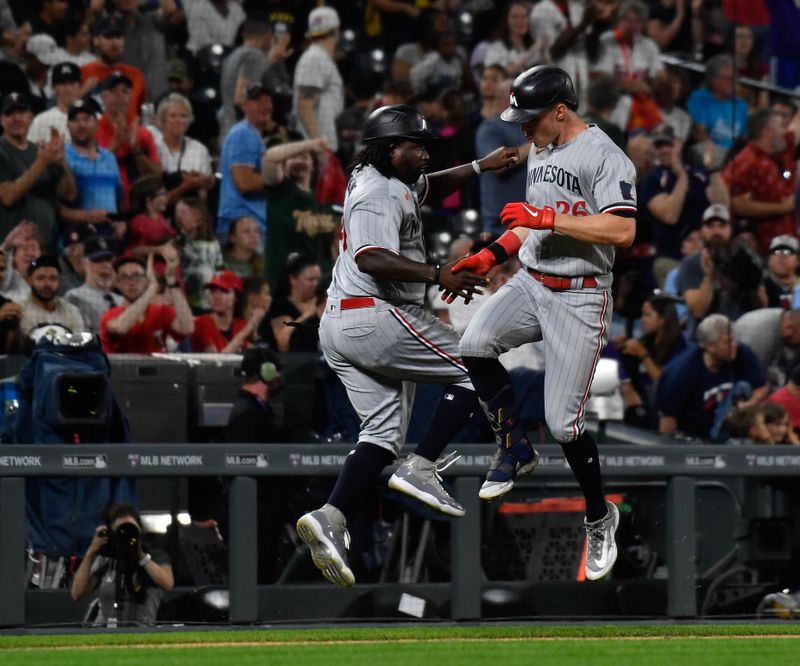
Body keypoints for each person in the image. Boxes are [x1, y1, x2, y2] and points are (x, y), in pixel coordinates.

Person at [295, 103, 518, 588]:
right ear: (389, 148)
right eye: (416, 146)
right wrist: (436, 273)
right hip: (372, 315)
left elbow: (427, 185)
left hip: (341, 323)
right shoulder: (376, 192)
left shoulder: (374, 174)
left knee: (379, 437)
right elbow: (372, 256)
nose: (423, 153)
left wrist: (480, 166)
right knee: (475, 364)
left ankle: (331, 515)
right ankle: (422, 464)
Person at [450, 65, 636, 581]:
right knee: (475, 342)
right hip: (533, 280)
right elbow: (527, 222)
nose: (522, 129)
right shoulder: (542, 147)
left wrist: (549, 221)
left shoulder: (604, 154)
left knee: (564, 425)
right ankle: (513, 445)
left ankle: (600, 516)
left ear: (560, 111)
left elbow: (622, 229)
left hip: (581, 296)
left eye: (530, 119)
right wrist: (489, 257)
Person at [656, 313, 768, 442]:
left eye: (734, 339)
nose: (734, 345)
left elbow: (762, 386)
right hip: (690, 441)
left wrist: (748, 405)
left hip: (729, 437)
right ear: (709, 346)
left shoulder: (741, 353)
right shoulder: (681, 373)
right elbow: (667, 424)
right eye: (727, 342)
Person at [70, 502, 174, 627]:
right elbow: (77, 594)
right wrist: (90, 553)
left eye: (131, 530)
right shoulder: (107, 559)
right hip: (104, 630)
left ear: (140, 530)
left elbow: (168, 583)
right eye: (121, 531)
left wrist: (140, 555)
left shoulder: (154, 556)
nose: (127, 536)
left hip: (142, 631)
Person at [0, 92, 76, 252]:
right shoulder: (2, 151)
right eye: (9, 114)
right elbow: (8, 196)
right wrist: (42, 162)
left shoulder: (39, 150)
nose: (16, 118)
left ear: (30, 117)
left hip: (46, 246)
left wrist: (61, 162)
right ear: (1, 120)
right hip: (13, 249)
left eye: (21, 112)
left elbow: (68, 194)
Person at [721, 108, 798, 253]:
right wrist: (782, 207)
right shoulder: (746, 161)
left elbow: (796, 126)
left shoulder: (781, 150)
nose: (785, 131)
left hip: (790, 240)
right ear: (767, 131)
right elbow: (736, 203)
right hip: (763, 247)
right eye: (781, 126)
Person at [100, 253, 194, 353]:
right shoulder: (111, 315)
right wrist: (151, 290)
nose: (131, 283)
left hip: (159, 368)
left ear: (146, 280)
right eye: (124, 277)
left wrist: (173, 284)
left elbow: (187, 328)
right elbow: (119, 328)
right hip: (124, 368)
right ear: (117, 284)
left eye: (136, 276)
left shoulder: (161, 311)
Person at [95, 71, 160, 210]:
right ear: (103, 97)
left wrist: (136, 150)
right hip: (103, 206)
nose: (120, 97)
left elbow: (156, 177)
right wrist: (115, 145)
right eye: (114, 91)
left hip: (138, 208)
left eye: (125, 92)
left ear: (130, 96)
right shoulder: (92, 131)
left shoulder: (143, 133)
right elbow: (89, 171)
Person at [61, 97, 124, 235]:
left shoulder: (109, 157)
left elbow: (119, 200)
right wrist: (83, 216)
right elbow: (56, 206)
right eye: (75, 120)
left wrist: (121, 223)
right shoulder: (61, 155)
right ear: (68, 126)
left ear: (96, 124)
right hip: (77, 236)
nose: (81, 124)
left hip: (109, 236)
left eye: (86, 119)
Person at [217, 82, 272, 238]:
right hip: (242, 224)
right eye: (258, 102)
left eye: (267, 101)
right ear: (244, 106)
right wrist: (279, 178)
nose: (265, 106)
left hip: (249, 222)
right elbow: (244, 182)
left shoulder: (252, 133)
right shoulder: (243, 134)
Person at [291, 6, 343, 152]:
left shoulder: (320, 57)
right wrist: (318, 146)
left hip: (319, 144)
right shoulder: (314, 58)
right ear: (336, 31)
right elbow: (305, 105)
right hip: (315, 148)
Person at [152, 93, 214, 208]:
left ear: (190, 120)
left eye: (183, 116)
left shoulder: (199, 149)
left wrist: (203, 183)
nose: (179, 120)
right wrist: (185, 186)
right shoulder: (155, 148)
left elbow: (204, 193)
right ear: (162, 120)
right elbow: (155, 201)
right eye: (173, 116)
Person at [190, 270, 265, 353]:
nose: (217, 297)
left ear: (236, 297)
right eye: (213, 291)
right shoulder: (200, 323)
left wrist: (254, 328)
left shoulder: (240, 324)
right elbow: (216, 361)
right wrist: (247, 329)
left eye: (224, 291)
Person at [64, 235, 122, 333]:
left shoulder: (121, 300)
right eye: (98, 260)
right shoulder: (74, 297)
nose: (106, 265)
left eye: (109, 260)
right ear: (84, 264)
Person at [19, 254, 87, 338]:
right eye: (40, 278)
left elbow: (79, 343)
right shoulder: (19, 311)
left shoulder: (72, 311)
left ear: (60, 281)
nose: (47, 284)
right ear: (29, 280)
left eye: (53, 278)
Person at [174, 197, 223, 311]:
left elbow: (219, 269)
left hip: (208, 299)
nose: (179, 216)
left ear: (199, 218)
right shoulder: (179, 241)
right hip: (187, 298)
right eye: (177, 212)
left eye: (184, 213)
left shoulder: (213, 243)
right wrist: (183, 234)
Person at [269, 254, 322, 353]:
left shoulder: (322, 302)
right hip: (292, 360)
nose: (315, 284)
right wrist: (307, 315)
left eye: (318, 279)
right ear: (293, 280)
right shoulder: (280, 305)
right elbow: (282, 341)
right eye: (310, 279)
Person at [27, 60, 81, 143]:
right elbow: (30, 151)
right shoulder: (41, 120)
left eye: (72, 83)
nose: (68, 89)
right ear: (53, 88)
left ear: (79, 85)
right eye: (63, 84)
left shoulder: (93, 117)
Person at [760, 235, 800, 309]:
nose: (782, 256)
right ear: (769, 260)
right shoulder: (760, 288)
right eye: (777, 252)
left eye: (788, 252)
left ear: (798, 260)